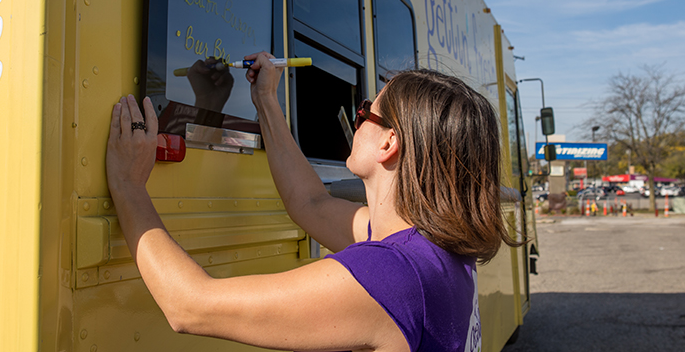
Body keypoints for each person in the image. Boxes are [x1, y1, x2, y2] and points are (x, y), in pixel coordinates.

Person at [106, 52, 519, 351]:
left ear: (389, 143)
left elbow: (190, 307)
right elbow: (310, 203)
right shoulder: (432, 247)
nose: (357, 122)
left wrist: (128, 185)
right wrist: (266, 100)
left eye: (364, 114)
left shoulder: (392, 275)